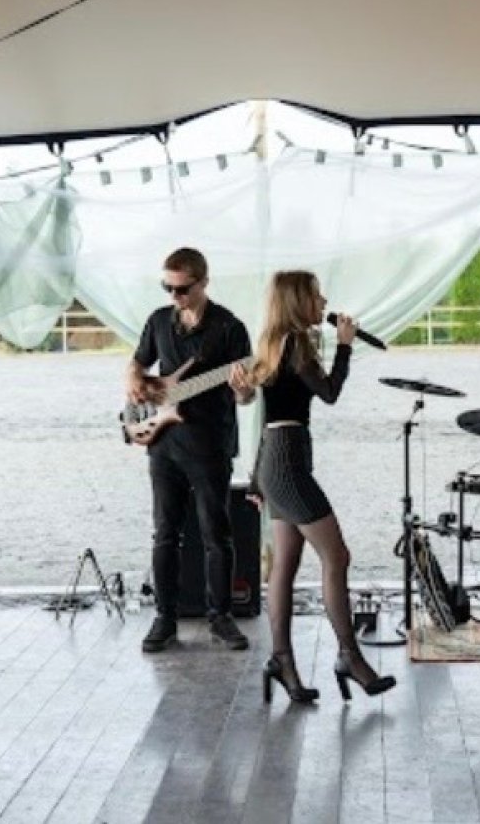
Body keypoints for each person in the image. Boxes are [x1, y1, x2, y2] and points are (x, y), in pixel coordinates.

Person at [231, 270, 394, 704]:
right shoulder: (297, 342)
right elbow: (329, 392)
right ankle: (349, 657)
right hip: (287, 462)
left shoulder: (274, 341)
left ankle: (282, 661)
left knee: (284, 565)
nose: (324, 302)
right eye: (317, 296)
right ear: (298, 301)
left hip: (279, 457)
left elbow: (261, 405)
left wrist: (258, 476)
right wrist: (345, 346)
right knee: (336, 556)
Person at [126, 247, 254, 653]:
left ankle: (221, 617)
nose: (174, 296)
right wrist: (134, 380)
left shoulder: (230, 328)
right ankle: (164, 618)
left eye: (182, 289)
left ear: (204, 283)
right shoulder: (158, 321)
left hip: (211, 443)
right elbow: (137, 363)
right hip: (164, 444)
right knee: (165, 533)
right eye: (167, 287)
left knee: (217, 535)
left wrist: (242, 389)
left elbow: (247, 396)